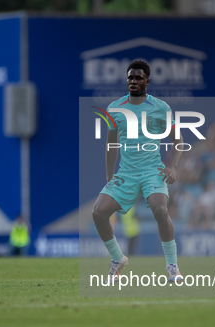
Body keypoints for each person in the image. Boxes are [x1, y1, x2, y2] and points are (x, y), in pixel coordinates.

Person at [91, 60, 184, 283]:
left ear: (147, 81)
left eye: (138, 77)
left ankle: (172, 266)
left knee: (160, 209)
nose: (134, 81)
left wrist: (172, 166)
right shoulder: (115, 108)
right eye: (130, 77)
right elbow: (111, 144)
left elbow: (178, 140)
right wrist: (109, 176)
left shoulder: (161, 108)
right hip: (126, 173)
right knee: (98, 212)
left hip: (153, 170)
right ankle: (118, 259)